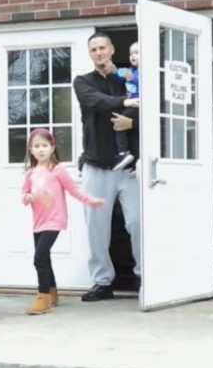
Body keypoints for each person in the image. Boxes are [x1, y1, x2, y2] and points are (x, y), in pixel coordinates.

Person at [72, 32, 142, 302]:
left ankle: (144, 277)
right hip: (97, 165)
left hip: (129, 167)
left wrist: (133, 122)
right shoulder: (83, 82)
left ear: (112, 49)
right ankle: (102, 282)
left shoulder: (128, 80)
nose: (99, 53)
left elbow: (152, 110)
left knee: (137, 222)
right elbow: (95, 102)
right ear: (90, 54)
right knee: (96, 227)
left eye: (103, 48)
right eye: (93, 49)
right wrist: (125, 103)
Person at [20, 129, 105, 315]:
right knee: (45, 257)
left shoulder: (58, 170)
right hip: (38, 222)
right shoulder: (30, 173)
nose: (41, 149)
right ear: (31, 150)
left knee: (39, 257)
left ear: (52, 147)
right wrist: (26, 197)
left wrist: (92, 201)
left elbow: (74, 190)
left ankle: (43, 298)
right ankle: (52, 292)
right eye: (36, 146)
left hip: (55, 220)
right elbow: (24, 194)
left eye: (44, 145)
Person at [110, 41, 140, 172]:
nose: (133, 56)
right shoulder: (130, 70)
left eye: (137, 53)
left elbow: (144, 81)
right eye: (131, 53)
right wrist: (113, 70)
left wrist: (132, 78)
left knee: (121, 122)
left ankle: (122, 153)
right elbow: (118, 77)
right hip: (130, 105)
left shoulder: (142, 72)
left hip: (139, 106)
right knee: (133, 135)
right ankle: (135, 164)